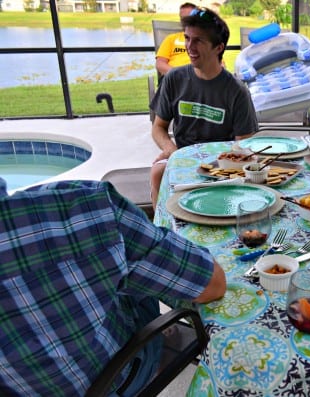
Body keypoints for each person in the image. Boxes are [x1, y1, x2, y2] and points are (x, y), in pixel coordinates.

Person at [0, 177, 226, 396]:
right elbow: (211, 285)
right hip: (113, 379)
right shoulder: (83, 206)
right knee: (133, 273)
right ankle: (159, 346)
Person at [149, 7, 258, 209]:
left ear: (218, 48)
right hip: (181, 157)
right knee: (157, 173)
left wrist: (224, 164)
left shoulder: (236, 91)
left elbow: (245, 144)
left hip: (222, 166)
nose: (189, 46)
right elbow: (158, 127)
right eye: (187, 38)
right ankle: (162, 232)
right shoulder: (174, 79)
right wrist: (171, 150)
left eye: (198, 40)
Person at [155, 2, 196, 79]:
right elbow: (160, 64)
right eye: (182, 18)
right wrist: (179, 75)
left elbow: (219, 64)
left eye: (189, 17)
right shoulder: (171, 39)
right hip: (174, 79)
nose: (185, 21)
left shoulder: (206, 40)